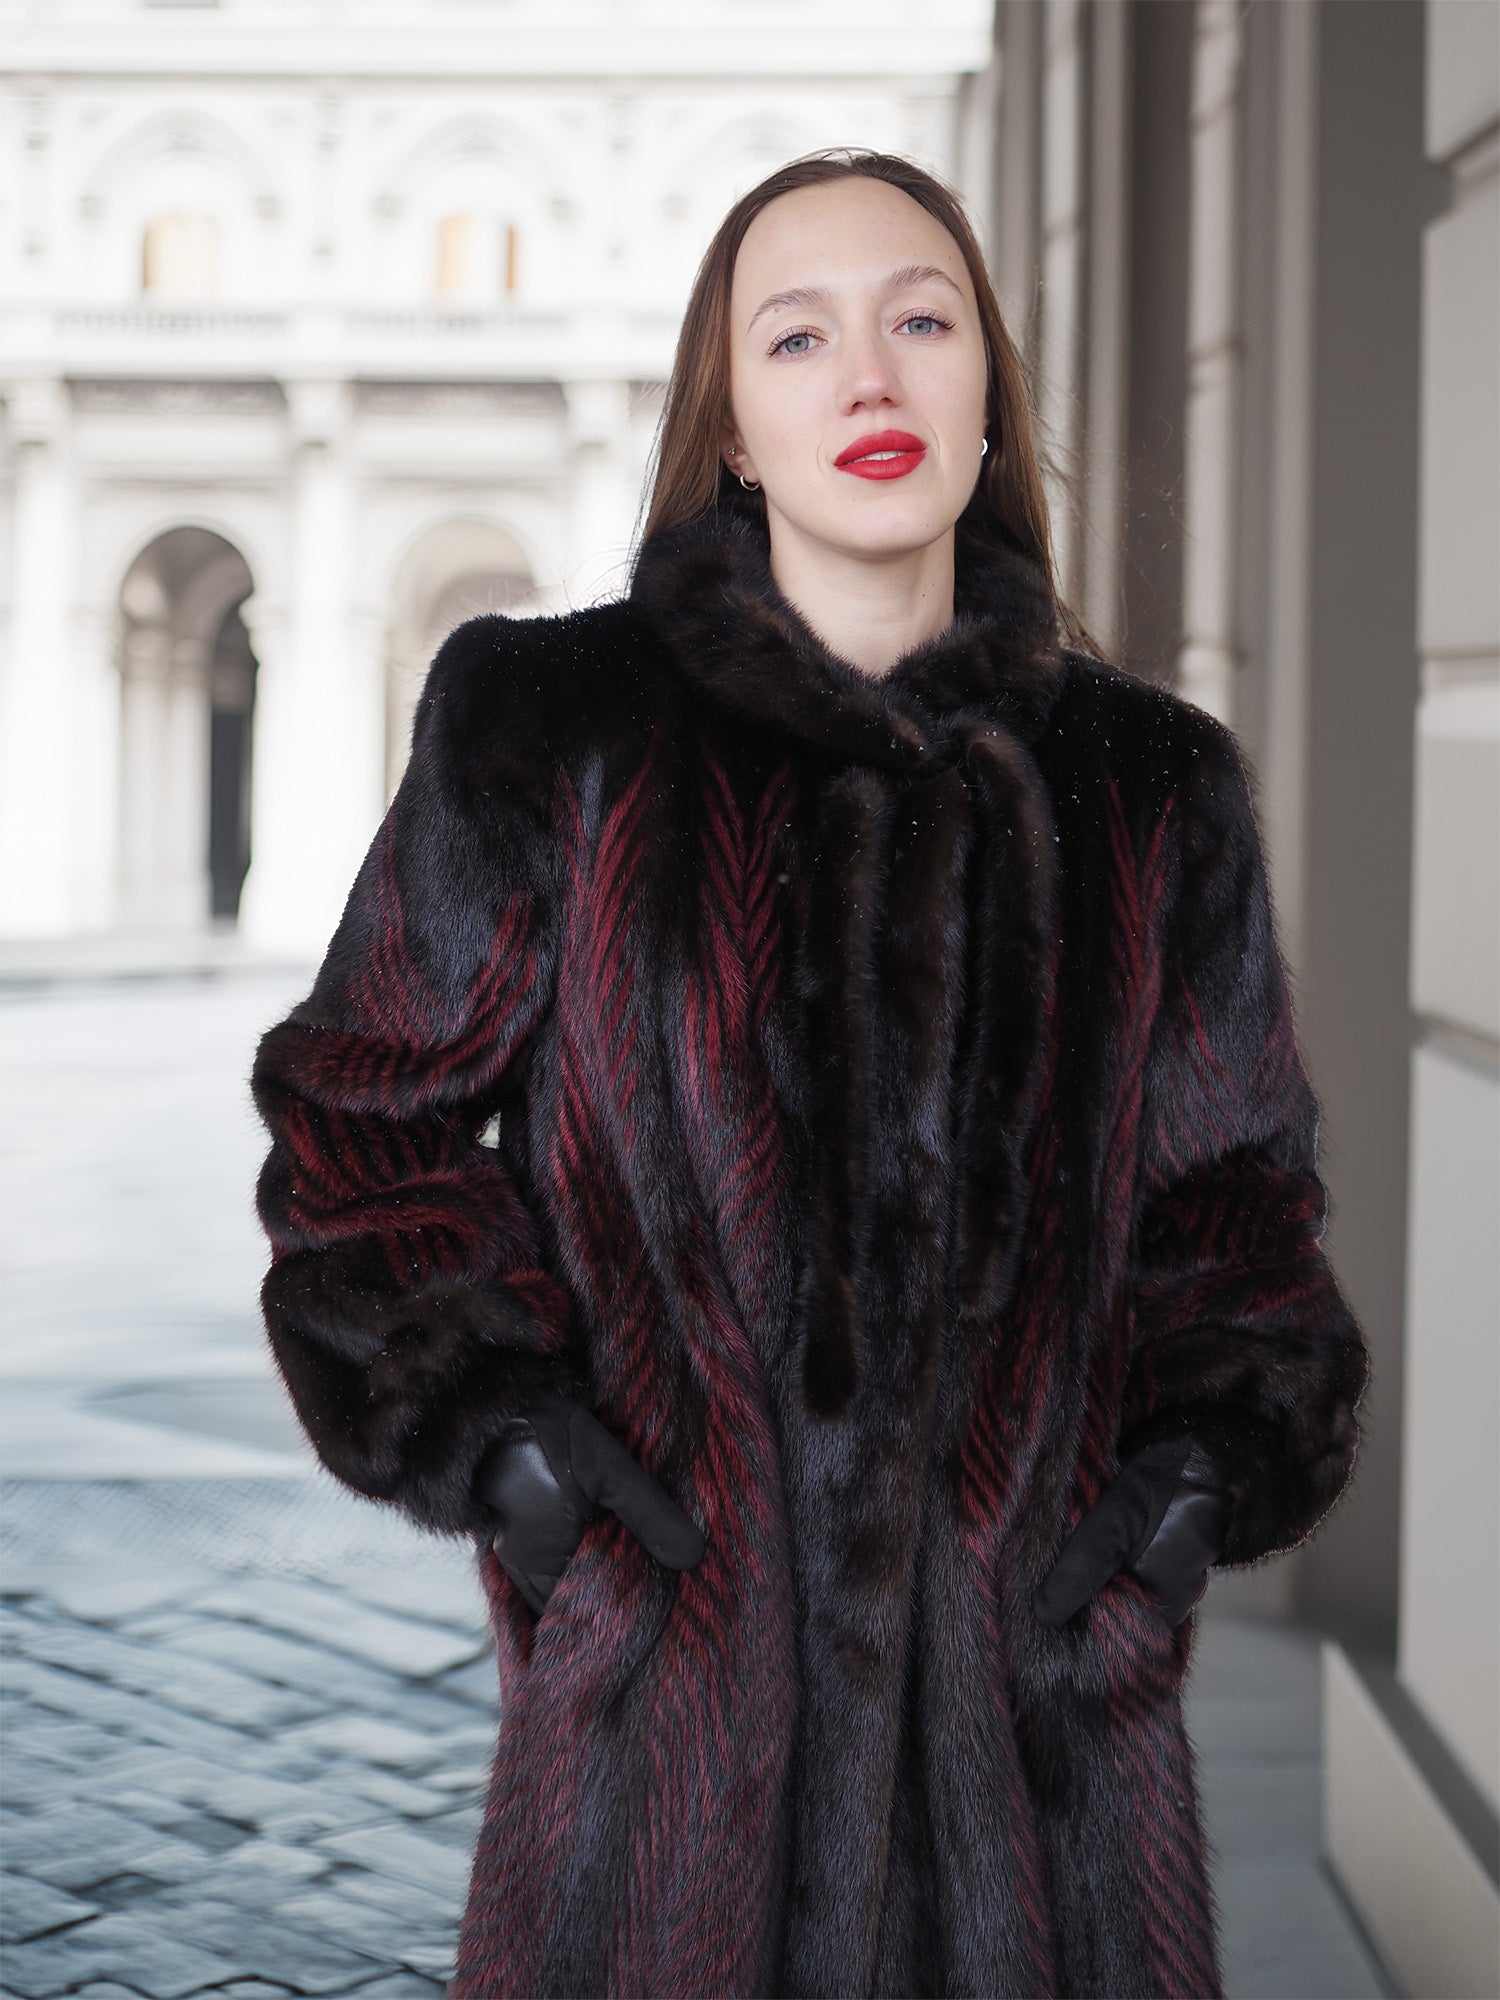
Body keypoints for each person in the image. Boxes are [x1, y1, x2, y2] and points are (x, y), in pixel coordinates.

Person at [249, 147, 1371, 2000]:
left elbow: (1235, 1204)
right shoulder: (548, 729)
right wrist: (514, 1446)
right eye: (798, 337)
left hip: (1043, 1795)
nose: (871, 374)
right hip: (663, 1783)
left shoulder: (1151, 787)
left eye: (924, 321)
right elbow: (360, 1122)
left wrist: (1188, 1482)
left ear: (987, 400)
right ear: (735, 433)